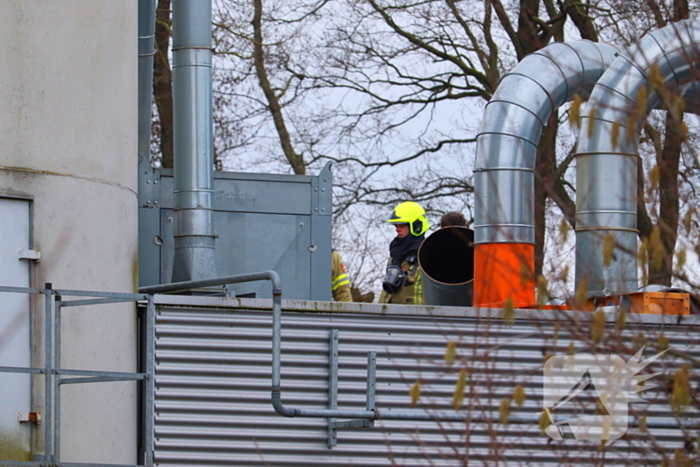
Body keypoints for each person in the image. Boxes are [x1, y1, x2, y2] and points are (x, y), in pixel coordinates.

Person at [378, 201, 429, 304]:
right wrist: (378, 311)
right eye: (396, 226)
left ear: (416, 226)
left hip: (420, 313)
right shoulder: (394, 257)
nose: (397, 230)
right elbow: (386, 292)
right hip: (393, 313)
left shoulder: (429, 255)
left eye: (402, 225)